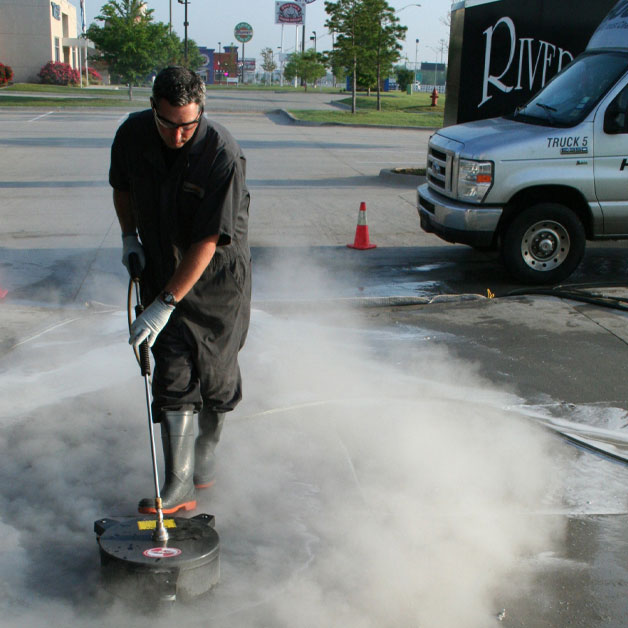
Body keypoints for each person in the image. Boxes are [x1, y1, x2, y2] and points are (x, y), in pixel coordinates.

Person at [109, 66, 251, 514]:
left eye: (188, 124)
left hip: (218, 279)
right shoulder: (132, 135)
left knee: (216, 375)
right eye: (168, 123)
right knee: (172, 369)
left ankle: (204, 461)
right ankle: (179, 482)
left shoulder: (220, 153)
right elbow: (123, 187)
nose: (178, 135)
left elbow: (208, 240)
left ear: (201, 111)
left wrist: (166, 303)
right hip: (160, 265)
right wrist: (129, 236)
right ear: (154, 108)